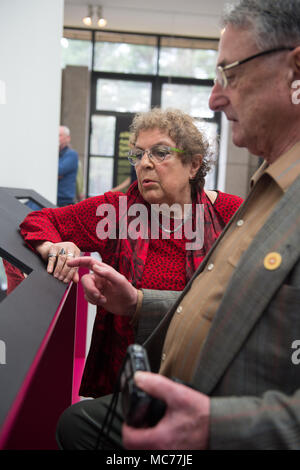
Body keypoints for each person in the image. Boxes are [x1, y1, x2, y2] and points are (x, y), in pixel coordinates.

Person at [56, 0, 300, 450]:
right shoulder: (267, 187)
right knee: (76, 424)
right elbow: (222, 302)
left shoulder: (230, 206)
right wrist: (136, 302)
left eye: (231, 72)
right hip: (167, 393)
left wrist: (213, 425)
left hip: (216, 417)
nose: (214, 96)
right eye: (139, 154)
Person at [20, 108, 243, 399]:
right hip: (127, 379)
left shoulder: (228, 213)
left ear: (193, 165)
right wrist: (56, 246)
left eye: (160, 153)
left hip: (200, 377)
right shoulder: (115, 211)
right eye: (138, 155)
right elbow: (38, 220)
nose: (145, 164)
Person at [57, 125, 79, 207]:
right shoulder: (56, 154)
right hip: (52, 198)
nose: (57, 138)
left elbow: (58, 171)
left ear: (68, 138)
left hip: (64, 202)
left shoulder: (71, 155)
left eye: (60, 135)